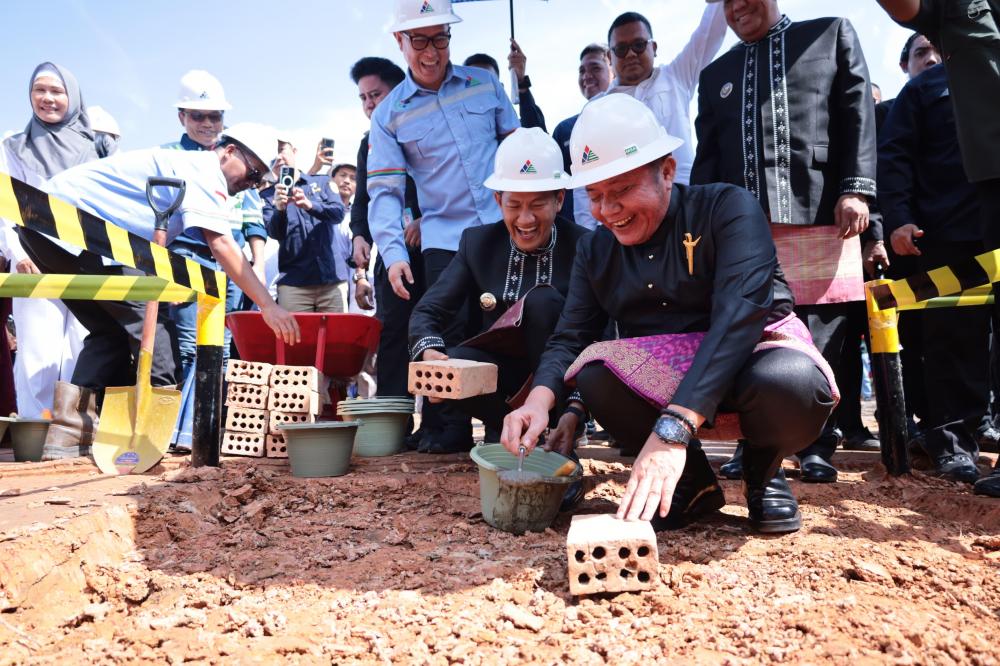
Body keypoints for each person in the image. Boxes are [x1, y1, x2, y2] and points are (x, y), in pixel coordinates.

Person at [502, 94, 836, 534]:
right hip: (666, 375)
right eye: (595, 196)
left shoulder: (726, 208)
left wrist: (674, 428)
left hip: (752, 356)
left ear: (667, 171)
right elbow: (571, 336)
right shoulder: (595, 250)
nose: (608, 211)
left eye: (622, 190)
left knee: (791, 383)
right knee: (597, 375)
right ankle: (692, 485)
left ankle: (763, 469)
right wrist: (538, 402)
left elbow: (739, 316)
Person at [692, 0, 879, 484]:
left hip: (821, 212)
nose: (738, 6)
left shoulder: (830, 34)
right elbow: (707, 161)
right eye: (727, 1)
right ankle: (756, 444)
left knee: (823, 336)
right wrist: (700, 228)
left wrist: (856, 189)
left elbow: (857, 114)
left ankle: (817, 444)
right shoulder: (715, 75)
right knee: (747, 334)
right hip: (743, 230)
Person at [15, 125, 300, 431]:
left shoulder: (188, 169)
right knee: (158, 338)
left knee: (110, 331)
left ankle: (69, 433)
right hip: (71, 226)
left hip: (44, 228)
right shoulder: (204, 171)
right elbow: (221, 244)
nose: (251, 184)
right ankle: (154, 436)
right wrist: (268, 305)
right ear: (230, 152)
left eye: (259, 180)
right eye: (253, 173)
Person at [368, 0, 520, 453]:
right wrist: (393, 254)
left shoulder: (484, 85)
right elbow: (385, 193)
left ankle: (505, 421)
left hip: (503, 231)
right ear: (400, 41)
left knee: (506, 329)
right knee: (447, 333)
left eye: (440, 38)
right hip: (444, 240)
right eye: (420, 40)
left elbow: (516, 150)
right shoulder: (388, 115)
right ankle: (450, 427)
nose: (432, 52)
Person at [409, 128, 587, 449]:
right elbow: (428, 310)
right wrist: (429, 353)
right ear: (497, 200)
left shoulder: (584, 246)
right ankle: (504, 425)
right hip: (502, 378)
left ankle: (557, 430)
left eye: (538, 205)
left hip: (562, 379)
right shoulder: (477, 243)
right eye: (514, 205)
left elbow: (597, 334)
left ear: (560, 199)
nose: (525, 219)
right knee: (453, 361)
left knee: (543, 301)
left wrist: (576, 407)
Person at [878, 62, 989, 484]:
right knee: (953, 342)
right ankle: (953, 446)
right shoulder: (924, 90)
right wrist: (899, 218)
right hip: (951, 234)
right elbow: (896, 156)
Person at [0, 62, 97, 457]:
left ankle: (71, 435)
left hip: (86, 262)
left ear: (72, 97)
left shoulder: (96, 147)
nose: (47, 98)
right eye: (39, 90)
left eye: (57, 91)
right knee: (38, 352)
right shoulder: (13, 146)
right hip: (33, 260)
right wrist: (19, 252)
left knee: (80, 348)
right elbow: (6, 204)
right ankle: (34, 437)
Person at [572, 3, 728, 231]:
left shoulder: (677, 76)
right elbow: (584, 179)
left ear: (653, 47)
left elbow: (710, 30)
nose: (631, 54)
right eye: (621, 49)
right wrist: (589, 234)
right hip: (626, 220)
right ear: (610, 57)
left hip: (684, 212)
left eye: (639, 45)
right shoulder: (597, 109)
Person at [349, 56, 424, 419]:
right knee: (393, 333)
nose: (369, 104)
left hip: (435, 248)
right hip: (392, 254)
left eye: (375, 94)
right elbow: (363, 197)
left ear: (398, 92)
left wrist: (428, 219)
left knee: (437, 330)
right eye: (363, 98)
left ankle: (441, 423)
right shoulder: (368, 142)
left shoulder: (426, 128)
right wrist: (359, 235)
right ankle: (395, 419)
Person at [262, 141, 349, 313]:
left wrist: (310, 205)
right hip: (293, 285)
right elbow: (275, 233)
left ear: (294, 151)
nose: (278, 157)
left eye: (281, 150)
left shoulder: (323, 181)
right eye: (273, 152)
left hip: (332, 281)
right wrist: (280, 209)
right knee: (294, 332)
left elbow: (338, 213)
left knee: (337, 331)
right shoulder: (268, 195)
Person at [552, 43, 614, 223]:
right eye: (582, 71)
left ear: (613, 70)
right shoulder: (565, 129)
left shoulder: (632, 118)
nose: (587, 76)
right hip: (579, 229)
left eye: (595, 68)